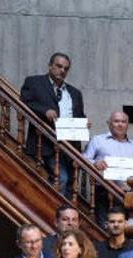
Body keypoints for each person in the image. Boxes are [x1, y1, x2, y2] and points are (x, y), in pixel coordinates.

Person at [20, 53, 86, 196]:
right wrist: (44, 111)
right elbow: (23, 103)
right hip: (46, 143)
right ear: (50, 66)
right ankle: (56, 214)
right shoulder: (34, 83)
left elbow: (80, 115)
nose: (62, 71)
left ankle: (66, 213)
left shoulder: (75, 93)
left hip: (70, 147)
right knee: (61, 178)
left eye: (66, 68)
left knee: (70, 185)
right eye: (59, 66)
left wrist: (84, 124)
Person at [83, 111, 133, 220]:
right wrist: (95, 163)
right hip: (104, 190)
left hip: (125, 194)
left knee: (124, 228)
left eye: (123, 122)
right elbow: (83, 159)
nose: (120, 124)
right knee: (104, 227)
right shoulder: (98, 140)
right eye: (116, 121)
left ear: (127, 125)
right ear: (109, 123)